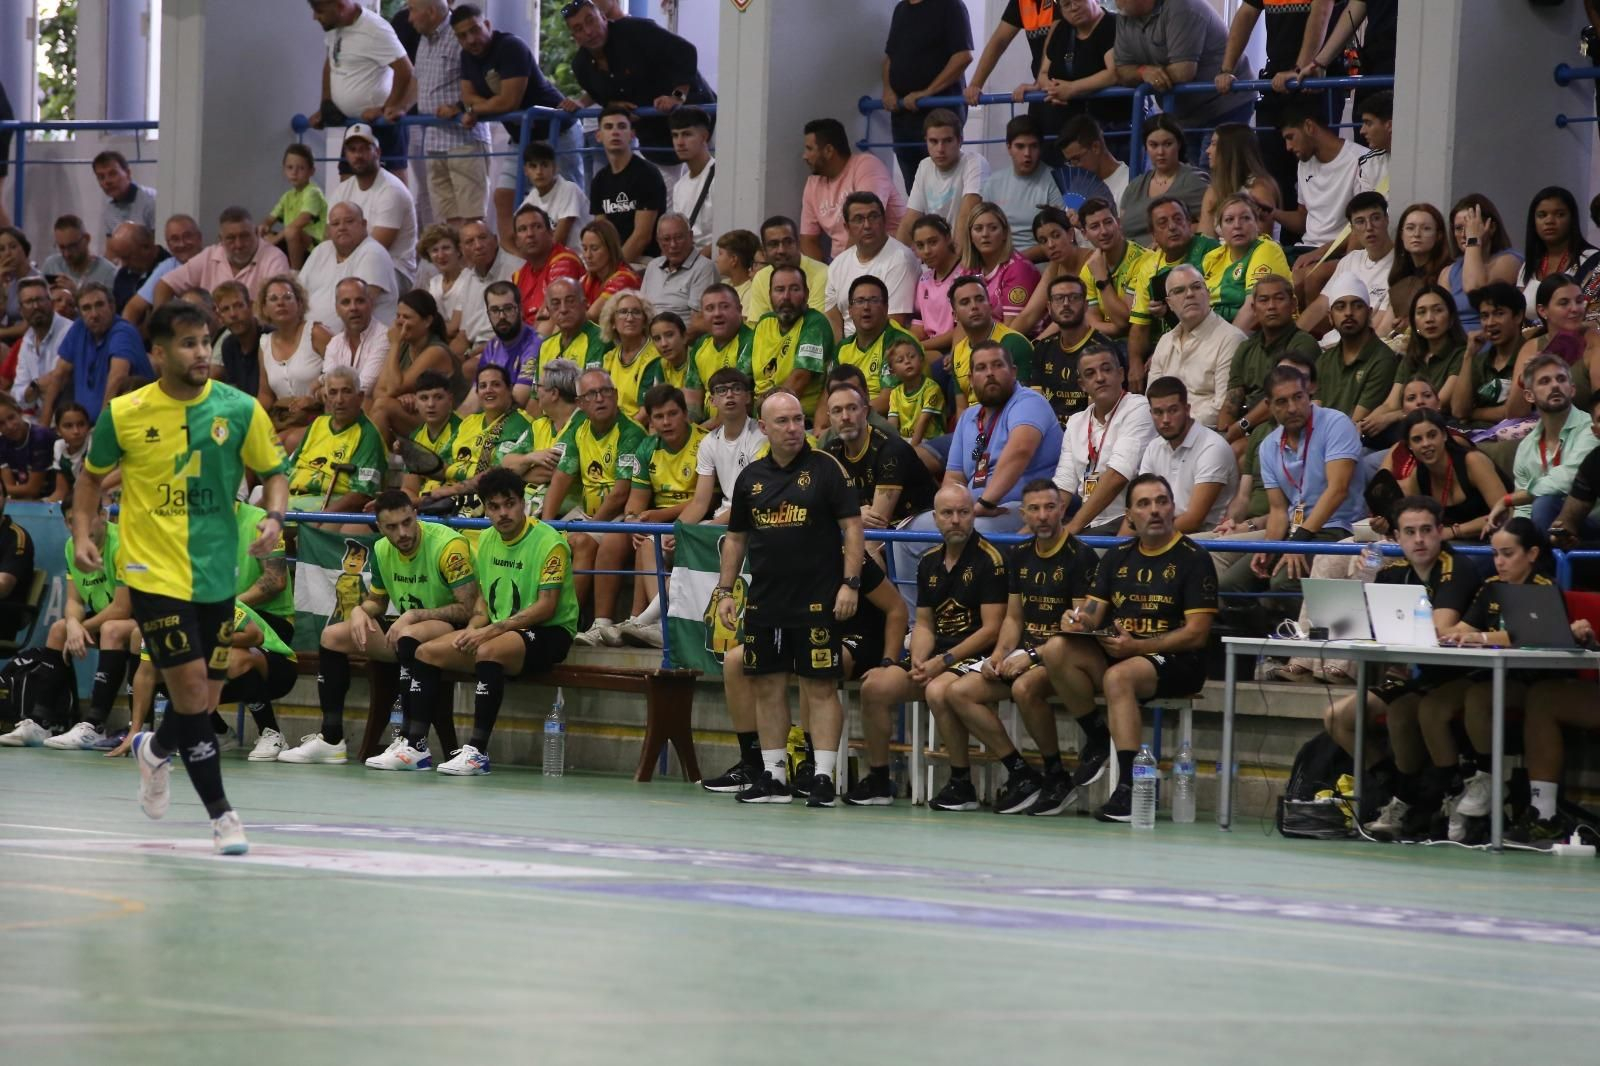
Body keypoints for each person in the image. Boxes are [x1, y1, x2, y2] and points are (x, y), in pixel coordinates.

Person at [74, 300, 289, 854]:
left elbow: (273, 472)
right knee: (191, 690)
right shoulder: (124, 413)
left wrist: (274, 515)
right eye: (190, 343)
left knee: (205, 699)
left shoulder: (239, 409)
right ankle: (223, 816)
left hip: (216, 574)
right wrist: (80, 535)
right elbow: (91, 479)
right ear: (159, 352)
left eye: (205, 342)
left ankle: (154, 749)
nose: (201, 353)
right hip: (151, 573)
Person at [716, 391, 864, 807]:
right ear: (763, 428)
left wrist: (850, 583)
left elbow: (852, 528)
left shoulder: (825, 469)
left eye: (798, 419)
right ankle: (775, 776)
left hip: (818, 600)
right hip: (766, 601)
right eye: (782, 421)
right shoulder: (751, 478)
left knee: (819, 688)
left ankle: (822, 777)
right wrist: (726, 592)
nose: (793, 428)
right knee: (767, 686)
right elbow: (737, 539)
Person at [1050, 472, 1219, 821]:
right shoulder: (1117, 557)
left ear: (1173, 509)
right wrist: (1077, 621)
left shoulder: (1194, 558)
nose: (1154, 510)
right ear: (1129, 516)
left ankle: (1130, 787)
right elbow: (1092, 615)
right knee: (1056, 648)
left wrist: (1137, 648)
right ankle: (1097, 738)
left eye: (1161, 502)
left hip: (1179, 660)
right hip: (1125, 652)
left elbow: (1197, 633)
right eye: (1144, 504)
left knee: (1118, 678)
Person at [936, 479, 1100, 815]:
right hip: (1023, 654)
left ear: (1062, 510)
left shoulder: (1080, 556)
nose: (1043, 516)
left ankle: (1056, 776)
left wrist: (1030, 655)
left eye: (1050, 507)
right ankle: (1022, 773)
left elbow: (1077, 628)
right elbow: (1012, 618)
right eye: (1035, 509)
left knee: (1025, 687)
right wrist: (999, 655)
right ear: (1023, 513)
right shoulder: (1019, 554)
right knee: (958, 692)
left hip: (1063, 660)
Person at [1325, 496, 1482, 843]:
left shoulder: (1456, 568)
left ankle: (1430, 796)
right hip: (1419, 679)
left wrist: (1386, 624)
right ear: (1396, 537)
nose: (1419, 540)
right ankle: (1391, 790)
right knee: (1338, 717)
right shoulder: (1397, 573)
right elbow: (1351, 622)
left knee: (1406, 711)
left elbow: (1438, 629)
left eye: (1427, 530)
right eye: (1409, 532)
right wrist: (1365, 582)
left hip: (1463, 678)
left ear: (1441, 532)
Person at [406, 467, 577, 776]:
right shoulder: (485, 539)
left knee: (488, 651)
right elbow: (484, 598)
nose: (503, 513)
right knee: (425, 652)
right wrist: (473, 628)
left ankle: (477, 752)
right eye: (494, 506)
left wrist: (488, 632)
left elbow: (546, 607)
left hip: (548, 633)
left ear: (523, 502)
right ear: (485, 507)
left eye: (509, 503)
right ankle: (414, 746)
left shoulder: (550, 542)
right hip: (499, 630)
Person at [846, 484, 1006, 807]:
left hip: (975, 658)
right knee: (874, 685)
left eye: (963, 512)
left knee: (938, 690)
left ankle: (962, 782)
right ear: (935, 519)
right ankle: (879, 780)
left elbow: (992, 631)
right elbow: (925, 625)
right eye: (948, 513)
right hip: (937, 660)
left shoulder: (991, 560)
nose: (956, 520)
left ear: (973, 515)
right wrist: (919, 658)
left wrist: (942, 661)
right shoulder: (928, 562)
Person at [1224, 363, 1364, 601]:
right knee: (1232, 584)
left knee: (1280, 585)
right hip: (1295, 530)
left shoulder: (1336, 424)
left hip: (1337, 527)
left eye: (1298, 397)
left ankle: (1289, 631)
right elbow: (1278, 510)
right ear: (1268, 406)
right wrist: (1269, 548)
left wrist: (1299, 541)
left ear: (1308, 393)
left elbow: (1337, 491)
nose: (1292, 408)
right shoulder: (1269, 445)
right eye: (1281, 402)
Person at [448, 4, 578, 239]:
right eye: (462, 35)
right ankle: (516, 257)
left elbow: (509, 101)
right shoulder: (467, 57)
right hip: (521, 138)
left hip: (558, 132)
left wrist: (474, 108)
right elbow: (468, 96)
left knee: (567, 197)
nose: (470, 39)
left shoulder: (510, 46)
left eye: (475, 30)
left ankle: (567, 256)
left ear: (487, 25)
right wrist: (476, 106)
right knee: (503, 196)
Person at [598, 384, 708, 643]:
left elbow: (707, 499)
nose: (666, 422)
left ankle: (643, 619)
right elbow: (635, 501)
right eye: (658, 417)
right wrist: (634, 521)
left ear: (685, 414)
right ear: (651, 420)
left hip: (698, 518)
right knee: (635, 539)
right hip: (659, 521)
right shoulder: (647, 447)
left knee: (652, 537)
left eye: (672, 414)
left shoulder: (705, 443)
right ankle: (620, 622)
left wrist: (658, 517)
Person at [10, 504, 125, 749]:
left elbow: (122, 608)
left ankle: (95, 725)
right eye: (73, 522)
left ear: (103, 516)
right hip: (106, 615)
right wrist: (73, 624)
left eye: (86, 520)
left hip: (139, 615)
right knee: (59, 629)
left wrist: (82, 626)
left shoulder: (122, 544)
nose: (79, 528)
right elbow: (74, 600)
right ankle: (40, 722)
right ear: (66, 524)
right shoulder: (72, 547)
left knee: (111, 629)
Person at [542, 367, 647, 614]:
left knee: (580, 541)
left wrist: (590, 527)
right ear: (580, 402)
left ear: (616, 395)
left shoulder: (631, 432)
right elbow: (561, 478)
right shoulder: (579, 426)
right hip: (587, 513)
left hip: (619, 514)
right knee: (540, 541)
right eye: (591, 394)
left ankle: (569, 619)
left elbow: (621, 493)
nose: (599, 399)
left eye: (605, 392)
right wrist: (546, 525)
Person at [564, 0, 714, 166]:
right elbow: (599, 95)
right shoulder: (581, 66)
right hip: (656, 142)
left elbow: (686, 52)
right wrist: (615, 106)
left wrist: (677, 97)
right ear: (574, 37)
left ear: (604, 18)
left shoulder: (637, 31)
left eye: (591, 20)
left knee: (719, 184)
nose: (588, 31)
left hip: (702, 124)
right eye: (578, 29)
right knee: (664, 191)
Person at [399, 0, 489, 229]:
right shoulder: (424, 40)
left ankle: (474, 265)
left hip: (464, 140)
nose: (409, 18)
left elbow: (483, 82)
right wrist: (399, 107)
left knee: (473, 219)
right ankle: (458, 266)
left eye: (412, 11)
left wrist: (460, 108)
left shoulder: (461, 35)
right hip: (433, 140)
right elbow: (417, 82)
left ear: (430, 12)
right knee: (449, 221)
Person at [1488, 354, 1600, 537]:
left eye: (1561, 379)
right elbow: (1523, 510)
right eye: (1545, 381)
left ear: (1572, 390)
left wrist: (1510, 499)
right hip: (1546, 530)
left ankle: (1540, 562)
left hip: (1591, 525)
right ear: (1529, 395)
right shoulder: (1526, 447)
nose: (1555, 385)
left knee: (1545, 504)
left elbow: (1569, 479)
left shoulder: (1592, 429)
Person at [1053, 343, 1156, 535]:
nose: (1100, 378)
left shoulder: (1138, 408)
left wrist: (1072, 528)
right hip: (1089, 524)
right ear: (1082, 385)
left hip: (1126, 521)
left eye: (1107, 370)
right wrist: (1038, 529)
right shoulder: (1076, 422)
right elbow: (1064, 485)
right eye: (1090, 373)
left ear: (1121, 375)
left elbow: (1118, 475)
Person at [1114, 0, 1252, 140]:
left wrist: (1152, 75)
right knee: (1186, 160)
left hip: (1224, 103)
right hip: (1184, 114)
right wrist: (1143, 72)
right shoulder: (1125, 14)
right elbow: (1121, 71)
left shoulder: (1181, 6)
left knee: (1213, 161)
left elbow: (1183, 72)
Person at [306, 0, 414, 175]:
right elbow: (331, 63)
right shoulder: (334, 27)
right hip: (354, 123)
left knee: (390, 190)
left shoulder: (375, 29)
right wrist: (325, 104)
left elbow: (406, 71)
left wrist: (386, 108)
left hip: (383, 125)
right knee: (348, 189)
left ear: (340, 7)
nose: (314, 17)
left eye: (319, 11)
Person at [1124, 196, 1221, 385]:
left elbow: (1212, 313)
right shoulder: (1149, 267)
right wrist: (1135, 362)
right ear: (1153, 234)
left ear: (1189, 223)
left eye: (1178, 219)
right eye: (1162, 223)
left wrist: (1166, 347)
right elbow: (1139, 325)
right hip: (1166, 348)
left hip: (1208, 341)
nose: (1172, 227)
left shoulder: (1210, 252)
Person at [419, 362, 533, 520]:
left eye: (496, 384)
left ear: (509, 388)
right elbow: (442, 465)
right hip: (445, 499)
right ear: (477, 392)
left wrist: (453, 490)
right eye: (483, 385)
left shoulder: (521, 424)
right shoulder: (468, 422)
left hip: (484, 502)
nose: (489, 390)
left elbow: (499, 474)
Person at [880, 0, 974, 185]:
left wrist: (927, 92)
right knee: (914, 188)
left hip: (939, 115)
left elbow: (962, 57)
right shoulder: (900, 9)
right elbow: (890, 57)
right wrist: (888, 89)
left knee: (945, 186)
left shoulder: (951, 6)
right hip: (903, 119)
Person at [823, 379, 937, 528]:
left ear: (865, 412)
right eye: (837, 411)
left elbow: (877, 523)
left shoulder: (891, 449)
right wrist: (852, 515)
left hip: (918, 527)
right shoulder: (831, 452)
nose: (845, 417)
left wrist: (849, 516)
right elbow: (815, 510)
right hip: (880, 532)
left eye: (852, 408)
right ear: (830, 418)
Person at [1135, 376, 1238, 533]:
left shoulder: (1212, 447)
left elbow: (1193, 520)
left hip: (1207, 538)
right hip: (1160, 532)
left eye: (1173, 410)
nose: (1165, 420)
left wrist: (1146, 536)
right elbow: (1140, 506)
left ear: (1187, 409)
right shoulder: (1154, 447)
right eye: (1158, 412)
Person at [1146, 264, 1243, 430]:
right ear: (1169, 303)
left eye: (1196, 287)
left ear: (1208, 293)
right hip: (1164, 433)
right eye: (1179, 291)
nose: (1190, 294)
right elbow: (1152, 398)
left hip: (1208, 434)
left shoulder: (1231, 339)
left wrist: (1175, 423)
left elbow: (1221, 408)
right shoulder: (1165, 341)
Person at [40, 283, 153, 424]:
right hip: (85, 427)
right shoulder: (79, 327)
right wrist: (43, 425)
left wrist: (100, 428)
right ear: (79, 313)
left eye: (99, 305)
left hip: (130, 422)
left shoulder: (123, 331)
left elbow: (118, 376)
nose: (94, 314)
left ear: (111, 307)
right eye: (86, 308)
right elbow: (59, 375)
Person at [800, 117, 906, 263]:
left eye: (809, 149)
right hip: (841, 261)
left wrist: (843, 271)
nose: (804, 156)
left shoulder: (867, 166)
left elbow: (863, 227)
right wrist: (819, 275)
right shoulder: (813, 183)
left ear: (829, 150)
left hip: (886, 256)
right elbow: (808, 239)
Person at [1394, 408, 1506, 542]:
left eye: (1432, 435)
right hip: (1454, 545)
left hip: (1494, 541)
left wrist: (1455, 531)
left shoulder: (1473, 462)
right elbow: (1414, 525)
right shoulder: (1418, 476)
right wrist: (1387, 527)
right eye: (1417, 439)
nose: (1426, 444)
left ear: (1444, 435)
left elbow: (1503, 515)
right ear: (1410, 446)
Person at [284, 366, 384, 514]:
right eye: (333, 392)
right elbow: (288, 471)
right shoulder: (317, 424)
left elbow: (361, 494)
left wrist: (321, 519)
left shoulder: (367, 434)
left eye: (347, 391)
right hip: (290, 502)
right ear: (326, 398)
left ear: (360, 397)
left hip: (329, 509)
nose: (339, 400)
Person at [1031, 0, 1123, 160]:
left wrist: (1072, 89)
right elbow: (1043, 73)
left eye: (1078, 0)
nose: (1073, 8)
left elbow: (1114, 73)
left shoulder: (1112, 25)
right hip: (1062, 132)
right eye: (1066, 5)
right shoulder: (1061, 29)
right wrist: (1054, 90)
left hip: (1108, 131)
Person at [1274, 97, 1360, 267]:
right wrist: (1271, 212)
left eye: (1290, 137)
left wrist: (1319, 253)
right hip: (1304, 249)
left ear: (1309, 127)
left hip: (1334, 252)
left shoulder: (1360, 160)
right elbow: (1302, 220)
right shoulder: (1303, 164)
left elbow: (1361, 228)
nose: (1288, 147)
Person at [331, 124, 419, 289]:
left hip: (394, 270)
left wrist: (341, 264)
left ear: (377, 152)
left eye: (364, 149)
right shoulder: (342, 190)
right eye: (352, 150)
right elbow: (328, 237)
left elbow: (376, 249)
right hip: (353, 263)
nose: (358, 155)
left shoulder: (392, 190)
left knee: (357, 282)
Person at [155, 206, 291, 311]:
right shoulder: (209, 255)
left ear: (256, 233)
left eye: (244, 236)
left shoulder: (274, 257)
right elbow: (164, 285)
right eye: (231, 238)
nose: (238, 244)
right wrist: (163, 329)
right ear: (221, 240)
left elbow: (278, 303)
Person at [824, 194, 919, 342]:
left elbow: (893, 324)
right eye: (858, 219)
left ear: (884, 220)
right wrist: (839, 354)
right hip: (847, 350)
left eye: (873, 217)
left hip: (884, 348)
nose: (867, 225)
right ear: (847, 227)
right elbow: (833, 319)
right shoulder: (838, 264)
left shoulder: (900, 259)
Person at [1298, 192, 1395, 336]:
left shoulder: (1400, 266)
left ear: (1387, 219)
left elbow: (1380, 328)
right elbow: (1319, 307)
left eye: (1375, 218)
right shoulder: (1350, 261)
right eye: (1360, 221)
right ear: (1352, 229)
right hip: (1331, 345)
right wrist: (1290, 339)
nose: (1369, 227)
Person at [369, 289, 461, 440]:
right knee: (368, 404)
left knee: (382, 407)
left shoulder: (436, 351)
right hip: (422, 416)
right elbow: (379, 391)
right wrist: (399, 398)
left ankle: (378, 462)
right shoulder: (403, 345)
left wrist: (394, 344)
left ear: (427, 321)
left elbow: (393, 388)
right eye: (398, 316)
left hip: (448, 423)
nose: (399, 322)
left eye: (406, 317)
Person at [1508, 274, 1600, 420]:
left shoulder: (1595, 342)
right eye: (1564, 303)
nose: (1575, 308)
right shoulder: (1532, 347)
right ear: (1543, 311)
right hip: (1542, 429)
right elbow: (1515, 414)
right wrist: (1523, 379)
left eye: (1579, 301)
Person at [298, 202, 399, 332]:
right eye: (335, 224)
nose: (342, 228)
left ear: (363, 224)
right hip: (310, 338)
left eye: (349, 221)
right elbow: (298, 295)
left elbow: (358, 312)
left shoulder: (373, 253)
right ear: (329, 230)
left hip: (359, 344)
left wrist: (323, 341)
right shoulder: (321, 250)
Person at [895, 110, 988, 249]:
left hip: (966, 255)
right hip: (936, 255)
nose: (940, 149)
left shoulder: (974, 162)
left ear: (960, 140)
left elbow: (965, 219)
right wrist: (895, 258)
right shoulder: (925, 166)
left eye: (947, 141)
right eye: (933, 141)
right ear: (925, 141)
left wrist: (952, 267)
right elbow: (909, 222)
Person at [751, 265, 834, 420]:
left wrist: (762, 412)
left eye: (794, 289)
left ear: (806, 294)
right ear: (770, 295)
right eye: (779, 290)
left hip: (799, 420)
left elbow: (799, 379)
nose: (786, 297)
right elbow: (745, 374)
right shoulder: (764, 323)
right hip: (760, 418)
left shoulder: (815, 324)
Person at [830, 276, 920, 419]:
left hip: (892, 424)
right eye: (859, 301)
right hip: (850, 418)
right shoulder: (843, 347)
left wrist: (848, 417)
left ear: (886, 308)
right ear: (850, 310)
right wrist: (820, 427)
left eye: (874, 300)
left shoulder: (899, 343)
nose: (866, 307)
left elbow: (887, 400)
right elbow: (828, 394)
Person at [1028, 273, 1111, 428]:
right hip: (1049, 433)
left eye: (1073, 297)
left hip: (1086, 434)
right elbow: (1036, 405)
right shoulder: (1043, 348)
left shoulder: (1103, 350)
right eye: (1059, 298)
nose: (1066, 304)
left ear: (1086, 305)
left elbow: (1099, 416)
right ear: (1049, 307)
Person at [1313, 276, 1399, 424]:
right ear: (1330, 317)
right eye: (1340, 307)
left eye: (1357, 306)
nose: (1348, 313)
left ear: (1369, 312)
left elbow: (1355, 422)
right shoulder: (1324, 360)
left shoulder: (1383, 359)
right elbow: (1315, 413)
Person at [589, 105, 667, 265]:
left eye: (622, 126)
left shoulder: (647, 174)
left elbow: (642, 237)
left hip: (644, 260)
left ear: (632, 135)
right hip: (611, 261)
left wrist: (613, 271)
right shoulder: (599, 180)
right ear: (598, 136)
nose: (615, 132)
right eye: (608, 127)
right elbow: (601, 232)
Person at [1202, 193, 1291, 330]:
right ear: (1220, 228)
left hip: (1257, 334)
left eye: (1245, 218)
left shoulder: (1266, 249)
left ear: (1257, 225)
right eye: (1229, 220)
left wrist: (1225, 345)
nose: (1237, 225)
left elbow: (1253, 309)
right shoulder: (1213, 258)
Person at [1118, 115, 1210, 248]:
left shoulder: (1194, 180)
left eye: (1167, 144)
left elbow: (1210, 226)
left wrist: (1166, 240)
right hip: (1133, 262)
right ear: (1146, 147)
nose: (1160, 152)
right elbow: (1122, 230)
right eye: (1153, 145)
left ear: (1178, 144)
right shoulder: (1135, 186)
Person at [254, 274, 328, 437]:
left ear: (299, 303)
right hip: (283, 419)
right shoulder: (264, 344)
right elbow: (265, 395)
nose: (280, 303)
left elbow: (341, 375)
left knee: (280, 446)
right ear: (265, 308)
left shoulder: (316, 333)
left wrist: (315, 399)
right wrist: (247, 419)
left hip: (319, 415)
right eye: (273, 299)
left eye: (287, 297)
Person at [981, 117, 1063, 259]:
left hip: (1042, 264)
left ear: (1040, 148)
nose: (1027, 154)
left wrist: (1014, 261)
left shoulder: (1054, 181)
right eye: (1020, 146)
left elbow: (1060, 237)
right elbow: (982, 228)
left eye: (1033, 146)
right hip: (999, 263)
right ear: (1008, 147)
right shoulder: (993, 183)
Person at [1439, 194, 1522, 335]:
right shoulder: (1448, 272)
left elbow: (1475, 290)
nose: (1465, 233)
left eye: (1472, 226)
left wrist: (1473, 240)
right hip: (1455, 346)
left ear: (1492, 227)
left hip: (1489, 341)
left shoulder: (1509, 260)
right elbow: (1442, 317)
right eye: (1459, 228)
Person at [1517, 186, 1600, 316]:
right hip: (1531, 336)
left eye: (1559, 214)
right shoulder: (1529, 265)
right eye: (1542, 215)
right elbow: (1519, 313)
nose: (1549, 221)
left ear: (1572, 219)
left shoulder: (1594, 261)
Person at [1454, 282, 1526, 427]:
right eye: (1484, 316)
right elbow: (1458, 411)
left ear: (1518, 316)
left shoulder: (1529, 355)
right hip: (1475, 434)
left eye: (1499, 313)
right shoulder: (1480, 360)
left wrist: (1473, 413)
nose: (1490, 323)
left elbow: (1511, 413)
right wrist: (1469, 356)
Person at [1076, 197, 1148, 341]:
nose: (1104, 231)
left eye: (1108, 222)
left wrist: (1102, 280)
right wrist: (1117, 329)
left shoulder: (1142, 261)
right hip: (1106, 343)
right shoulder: (1088, 269)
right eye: (1095, 226)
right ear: (1084, 234)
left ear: (1118, 223)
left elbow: (1124, 321)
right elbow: (1091, 322)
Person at [1198, 122, 1281, 237]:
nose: (1208, 150)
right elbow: (1205, 240)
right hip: (1220, 253)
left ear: (1230, 149)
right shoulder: (1214, 190)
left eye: (1213, 144)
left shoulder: (1260, 188)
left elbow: (1261, 242)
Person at [685, 285, 754, 423]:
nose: (717, 314)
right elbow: (692, 399)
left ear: (739, 310)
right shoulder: (700, 345)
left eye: (724, 306)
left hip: (742, 427)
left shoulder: (751, 341)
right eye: (710, 309)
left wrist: (705, 430)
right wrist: (691, 431)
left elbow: (738, 402)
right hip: (708, 430)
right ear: (702, 315)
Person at [964, 201, 1041, 325]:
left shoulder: (1018, 269)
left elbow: (1011, 329)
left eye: (993, 228)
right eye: (978, 229)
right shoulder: (969, 271)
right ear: (970, 236)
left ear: (1005, 233)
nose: (985, 234)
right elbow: (962, 324)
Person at [510, 204, 585, 328]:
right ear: (517, 241)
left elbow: (552, 321)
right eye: (522, 229)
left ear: (551, 233)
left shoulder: (564, 262)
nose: (530, 234)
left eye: (537, 227)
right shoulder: (518, 276)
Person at [7, 276, 72, 417]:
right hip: (40, 414)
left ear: (50, 302)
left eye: (40, 300)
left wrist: (32, 389)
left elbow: (56, 383)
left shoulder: (69, 331)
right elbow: (18, 395)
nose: (36, 306)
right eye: (29, 302)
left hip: (69, 415)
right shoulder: (27, 340)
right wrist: (36, 386)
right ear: (21, 310)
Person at [745, 216, 829, 324]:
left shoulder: (822, 274)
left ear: (798, 244)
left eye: (788, 242)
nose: (781, 250)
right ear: (764, 251)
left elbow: (815, 325)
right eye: (773, 244)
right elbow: (757, 326)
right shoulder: (761, 277)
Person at [598, 291, 664, 424]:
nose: (629, 318)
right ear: (612, 322)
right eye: (623, 312)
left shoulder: (654, 357)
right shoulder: (609, 358)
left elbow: (646, 411)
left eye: (636, 312)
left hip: (639, 429)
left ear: (646, 321)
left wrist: (620, 433)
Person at [1387, 203, 1451, 338]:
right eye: (1410, 228)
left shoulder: (1447, 273)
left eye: (1426, 229)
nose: (1416, 234)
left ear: (1438, 236)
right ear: (1401, 235)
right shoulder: (1400, 275)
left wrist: (1413, 329)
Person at [640, 214, 717, 324]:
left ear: (691, 236)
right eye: (666, 239)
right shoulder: (653, 265)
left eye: (679, 237)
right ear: (658, 241)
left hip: (680, 338)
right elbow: (642, 307)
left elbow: (699, 321)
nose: (673, 245)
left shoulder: (704, 267)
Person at [261, 144, 327, 270]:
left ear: (311, 171)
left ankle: (296, 273)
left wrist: (275, 239)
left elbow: (301, 221)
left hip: (313, 247)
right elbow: (271, 218)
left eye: (301, 168)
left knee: (291, 231)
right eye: (290, 167)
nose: (294, 173)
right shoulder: (288, 196)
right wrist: (264, 226)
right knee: (260, 235)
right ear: (284, 169)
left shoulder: (313, 192)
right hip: (293, 244)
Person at [473, 280, 538, 409]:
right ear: (488, 314)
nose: (502, 316)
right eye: (495, 310)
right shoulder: (491, 347)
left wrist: (490, 430)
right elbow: (473, 400)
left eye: (508, 309)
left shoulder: (534, 344)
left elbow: (517, 401)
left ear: (520, 309)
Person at [536, 277, 611, 385]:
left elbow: (591, 394)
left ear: (585, 304)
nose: (563, 309)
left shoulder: (601, 340)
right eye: (556, 303)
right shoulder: (545, 345)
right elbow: (535, 396)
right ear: (548, 311)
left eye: (570, 301)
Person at [322, 277, 390, 396]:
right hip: (337, 411)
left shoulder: (384, 337)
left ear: (371, 304)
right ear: (337, 309)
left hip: (368, 412)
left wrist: (323, 390)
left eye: (360, 301)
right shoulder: (334, 343)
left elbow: (364, 388)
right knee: (303, 414)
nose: (353, 308)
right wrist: (321, 391)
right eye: (346, 302)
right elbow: (329, 385)